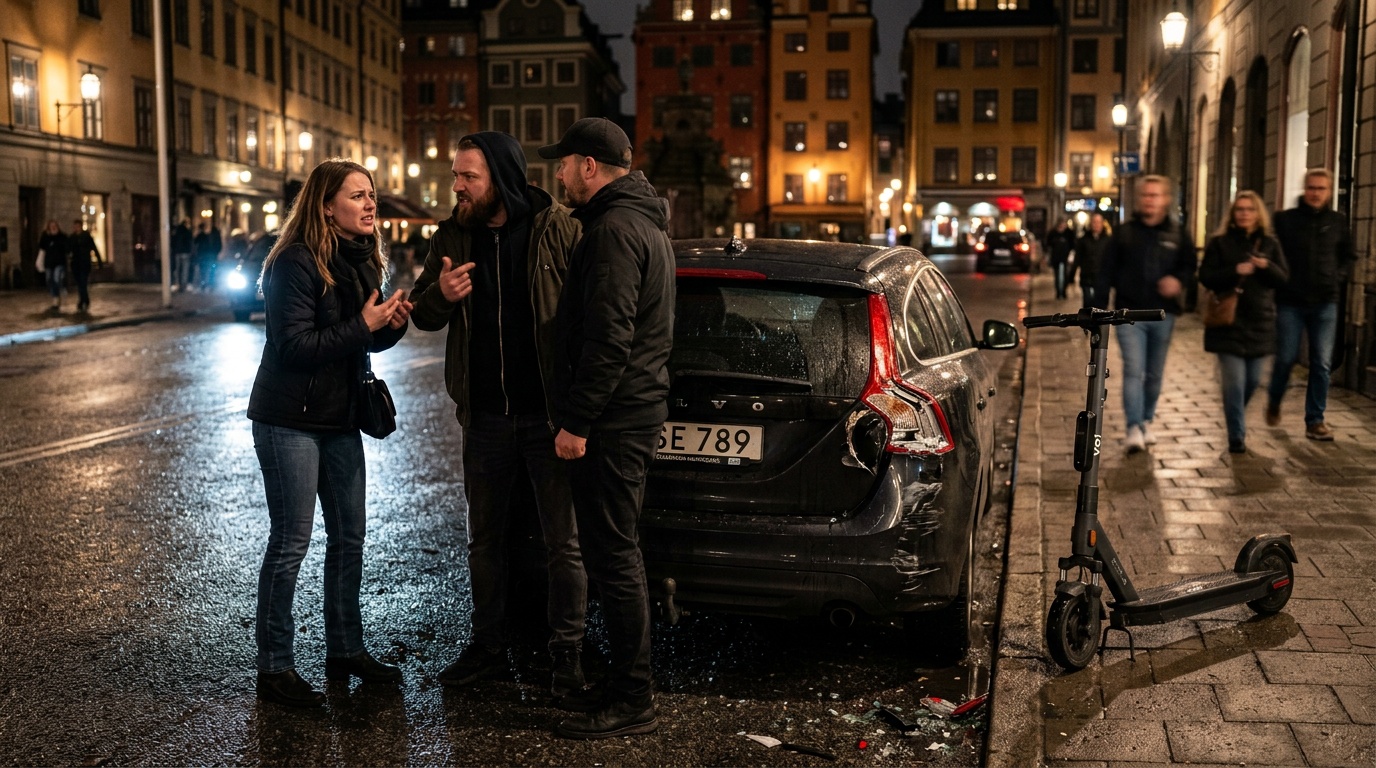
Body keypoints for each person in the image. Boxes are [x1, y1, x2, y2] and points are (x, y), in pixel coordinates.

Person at [408, 132, 586, 698]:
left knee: (563, 542)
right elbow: (424, 314)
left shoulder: (556, 228)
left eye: (468, 177)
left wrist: (579, 410)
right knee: (484, 540)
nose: (456, 187)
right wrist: (441, 294)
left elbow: (588, 315)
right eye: (455, 177)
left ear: (501, 178)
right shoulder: (454, 233)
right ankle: (488, 646)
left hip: (547, 417)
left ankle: (566, 655)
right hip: (484, 416)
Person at [246, 158, 413, 707]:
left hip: (340, 419)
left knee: (349, 540)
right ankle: (274, 668)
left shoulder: (363, 259)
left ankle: (345, 648)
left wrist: (388, 325)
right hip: (289, 419)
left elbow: (356, 343)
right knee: (291, 543)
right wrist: (361, 325)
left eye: (372, 196)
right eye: (357, 196)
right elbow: (293, 348)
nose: (370, 205)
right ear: (325, 205)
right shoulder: (295, 262)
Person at [538, 117, 674, 740]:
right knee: (614, 555)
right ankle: (623, 686)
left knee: (615, 560)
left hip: (613, 422)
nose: (558, 174)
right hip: (626, 415)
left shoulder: (614, 230)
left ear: (589, 166)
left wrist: (578, 420)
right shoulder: (636, 222)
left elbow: (609, 338)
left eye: (563, 164)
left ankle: (632, 700)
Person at [1096, 174, 1196, 454]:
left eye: (1155, 195)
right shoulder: (1124, 233)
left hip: (1164, 315)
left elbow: (1189, 265)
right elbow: (1105, 272)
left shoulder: (1178, 233)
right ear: (1139, 200)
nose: (1150, 200)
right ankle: (1132, 427)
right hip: (1130, 314)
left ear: (1166, 199)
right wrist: (1098, 310)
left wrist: (1178, 280)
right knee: (1133, 369)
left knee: (1154, 374)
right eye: (1145, 195)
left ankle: (1145, 421)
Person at [1266, 168, 1355, 441]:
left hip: (1325, 301)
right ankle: (1274, 400)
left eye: (1321, 189)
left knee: (1322, 363)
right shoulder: (1285, 220)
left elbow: (1349, 257)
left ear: (1328, 192)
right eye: (1312, 188)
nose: (1316, 193)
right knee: (1285, 358)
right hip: (1290, 300)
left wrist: (1337, 277)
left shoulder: (1338, 222)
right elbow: (1270, 252)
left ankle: (1315, 420)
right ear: (1305, 189)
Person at [1198, 191, 1289, 454]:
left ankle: (1234, 411)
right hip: (1228, 324)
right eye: (1240, 209)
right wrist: (1234, 271)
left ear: (1257, 213)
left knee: (1252, 381)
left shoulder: (1269, 244)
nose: (1245, 214)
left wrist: (1265, 266)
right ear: (1233, 213)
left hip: (1261, 323)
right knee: (1235, 383)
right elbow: (1206, 276)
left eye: (1250, 209)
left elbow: (1282, 278)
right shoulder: (1220, 243)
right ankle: (1236, 435)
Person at [1075, 212, 1111, 309]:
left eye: (1098, 222)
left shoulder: (1108, 241)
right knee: (1088, 303)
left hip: (1103, 278)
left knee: (1102, 304)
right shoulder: (1083, 240)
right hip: (1087, 277)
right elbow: (1078, 258)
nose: (1096, 225)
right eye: (1094, 222)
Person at [68, 219, 103, 313]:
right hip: (75, 264)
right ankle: (84, 299)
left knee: (83, 282)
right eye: (75, 226)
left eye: (77, 226)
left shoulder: (86, 236)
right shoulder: (72, 237)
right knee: (79, 283)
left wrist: (99, 262)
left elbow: (94, 248)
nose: (76, 228)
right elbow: (68, 249)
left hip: (85, 263)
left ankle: (83, 301)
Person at [37, 220, 67, 311]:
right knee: (49, 280)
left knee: (56, 278)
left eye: (55, 225)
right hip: (49, 263)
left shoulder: (61, 236)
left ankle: (56, 300)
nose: (53, 227)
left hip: (59, 263)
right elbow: (41, 247)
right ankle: (55, 298)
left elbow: (65, 247)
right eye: (51, 226)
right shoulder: (46, 236)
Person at [1047, 219, 1076, 300]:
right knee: (1057, 276)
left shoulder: (1069, 233)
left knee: (1065, 275)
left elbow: (1073, 245)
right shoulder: (1053, 233)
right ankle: (1058, 292)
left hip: (1066, 258)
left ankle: (1063, 292)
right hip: (1056, 258)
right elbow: (1048, 244)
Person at [194, 220, 222, 290]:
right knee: (210, 269)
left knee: (206, 269)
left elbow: (195, 242)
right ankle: (210, 284)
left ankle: (207, 284)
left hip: (206, 255)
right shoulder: (214, 233)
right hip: (209, 255)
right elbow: (219, 244)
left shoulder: (212, 234)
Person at [172, 218, 194, 291]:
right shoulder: (187, 232)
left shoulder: (177, 232)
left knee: (177, 269)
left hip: (177, 252)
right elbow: (190, 242)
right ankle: (183, 284)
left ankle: (177, 283)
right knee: (185, 269)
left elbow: (173, 242)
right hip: (185, 252)